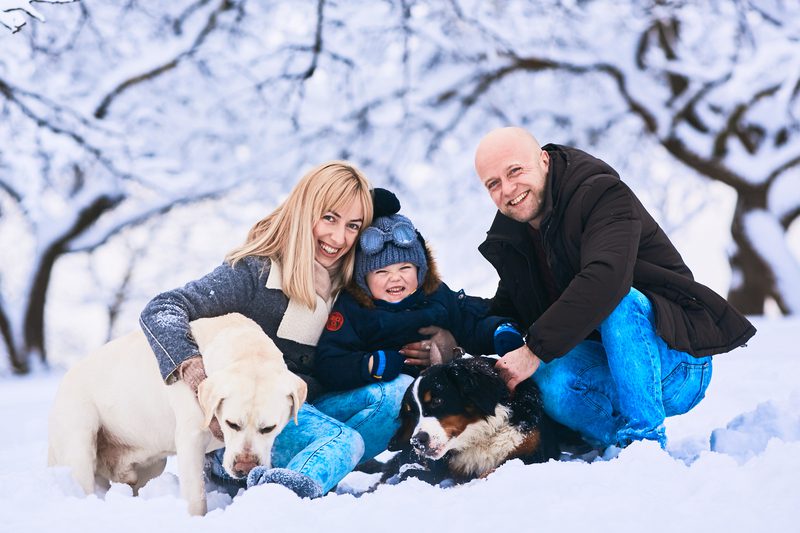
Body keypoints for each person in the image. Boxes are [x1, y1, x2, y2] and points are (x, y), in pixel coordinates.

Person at [471, 126, 756, 449]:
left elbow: (606, 280)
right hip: (606, 364)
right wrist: (445, 324)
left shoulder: (600, 194)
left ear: (544, 160)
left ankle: (644, 442)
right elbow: (504, 310)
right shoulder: (515, 236)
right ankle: (613, 444)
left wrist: (534, 349)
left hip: (676, 362)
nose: (508, 189)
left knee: (617, 301)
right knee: (547, 379)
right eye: (493, 184)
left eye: (515, 171)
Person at [139, 161, 411, 499]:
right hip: (250, 428)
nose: (338, 237)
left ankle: (321, 461)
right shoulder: (252, 273)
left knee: (399, 394)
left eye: (353, 226)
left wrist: (442, 343)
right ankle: (269, 491)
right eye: (329, 218)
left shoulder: (352, 286)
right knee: (347, 440)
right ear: (304, 211)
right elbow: (163, 309)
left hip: (305, 411)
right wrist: (195, 373)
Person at [315, 210, 526, 391]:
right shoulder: (354, 309)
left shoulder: (436, 296)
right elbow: (329, 361)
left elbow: (470, 320)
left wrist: (498, 330)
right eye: (381, 271)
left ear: (420, 270)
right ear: (363, 281)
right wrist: (369, 365)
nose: (395, 277)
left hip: (436, 389)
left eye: (405, 268)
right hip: (381, 389)